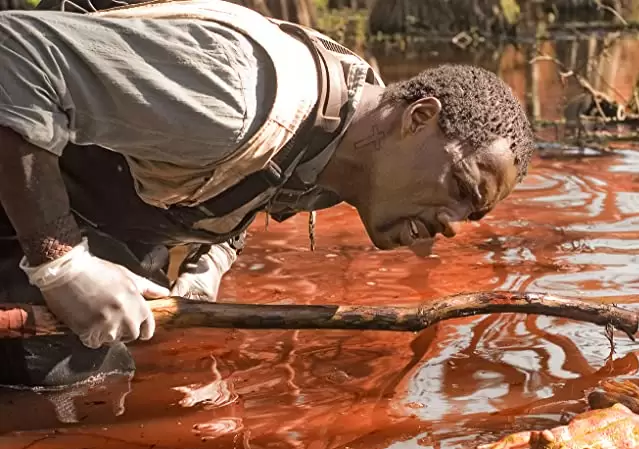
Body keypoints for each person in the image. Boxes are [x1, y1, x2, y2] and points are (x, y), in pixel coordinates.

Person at [0, 0, 535, 388]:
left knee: (130, 352)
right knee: (63, 372)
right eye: (461, 188)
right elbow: (13, 55)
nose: (451, 227)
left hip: (99, 206)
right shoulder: (235, 98)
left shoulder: (348, 157)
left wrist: (206, 267)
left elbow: (248, 189)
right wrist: (63, 265)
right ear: (419, 118)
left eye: (473, 214)